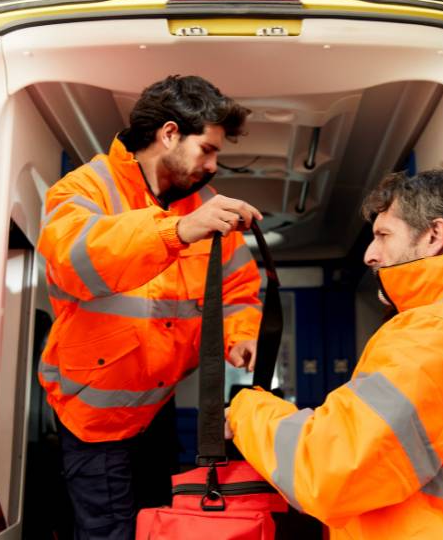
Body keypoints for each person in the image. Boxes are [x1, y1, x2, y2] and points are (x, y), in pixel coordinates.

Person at [226, 169, 443, 539]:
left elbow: (330, 469)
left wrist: (246, 409)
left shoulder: (436, 333)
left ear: (434, 235)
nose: (370, 255)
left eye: (384, 236)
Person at [37, 75, 264, 539]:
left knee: (158, 524)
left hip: (154, 407)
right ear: (168, 135)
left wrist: (241, 336)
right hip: (94, 417)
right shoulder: (85, 188)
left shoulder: (206, 206)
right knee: (110, 533)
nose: (214, 166)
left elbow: (238, 289)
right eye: (207, 150)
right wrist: (174, 232)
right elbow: (74, 262)